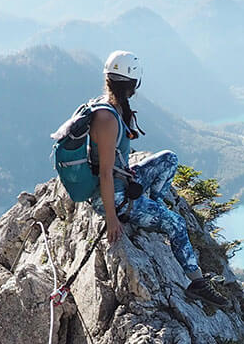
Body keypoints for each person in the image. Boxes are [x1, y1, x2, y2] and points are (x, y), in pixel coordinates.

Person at [88, 50, 226, 306]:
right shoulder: (107, 118)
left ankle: (153, 207)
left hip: (121, 182)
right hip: (113, 198)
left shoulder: (110, 108)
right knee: (176, 224)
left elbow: (111, 162)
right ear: (132, 84)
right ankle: (196, 282)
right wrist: (111, 219)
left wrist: (127, 173)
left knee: (169, 159)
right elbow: (105, 173)